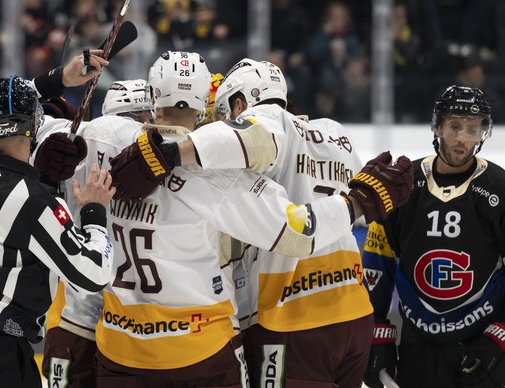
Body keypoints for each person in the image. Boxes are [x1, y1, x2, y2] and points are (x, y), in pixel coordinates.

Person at [109, 57, 414, 387]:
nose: (221, 122)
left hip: (290, 315)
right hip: (353, 311)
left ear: (241, 103)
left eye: (226, 113)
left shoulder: (265, 120)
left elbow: (253, 140)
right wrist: (360, 203)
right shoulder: (334, 133)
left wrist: (168, 154)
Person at [0, 75, 116, 388]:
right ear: (35, 123)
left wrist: (56, 78)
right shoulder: (33, 202)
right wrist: (94, 212)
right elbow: (93, 273)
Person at [361, 85, 505, 388]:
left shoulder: (500, 189)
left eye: (472, 128)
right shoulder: (403, 185)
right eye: (454, 126)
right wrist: (375, 331)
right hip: (416, 342)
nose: (462, 138)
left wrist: (500, 336)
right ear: (438, 126)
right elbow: (377, 261)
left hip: (480, 341)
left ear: (482, 133)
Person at [39, 78, 154, 388]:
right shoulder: (150, 151)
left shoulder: (73, 136)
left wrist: (51, 96)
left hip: (73, 313)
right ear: (144, 113)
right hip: (132, 322)